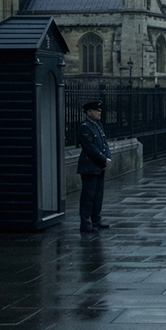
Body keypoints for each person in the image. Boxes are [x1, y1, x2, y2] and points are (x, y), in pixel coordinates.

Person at [76, 99, 112, 233]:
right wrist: (103, 159)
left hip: (99, 165)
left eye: (99, 110)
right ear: (89, 112)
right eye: (97, 110)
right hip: (90, 166)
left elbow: (104, 142)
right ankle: (85, 224)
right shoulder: (85, 127)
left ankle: (96, 220)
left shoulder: (97, 125)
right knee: (88, 196)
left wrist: (107, 157)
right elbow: (90, 148)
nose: (99, 112)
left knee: (98, 196)